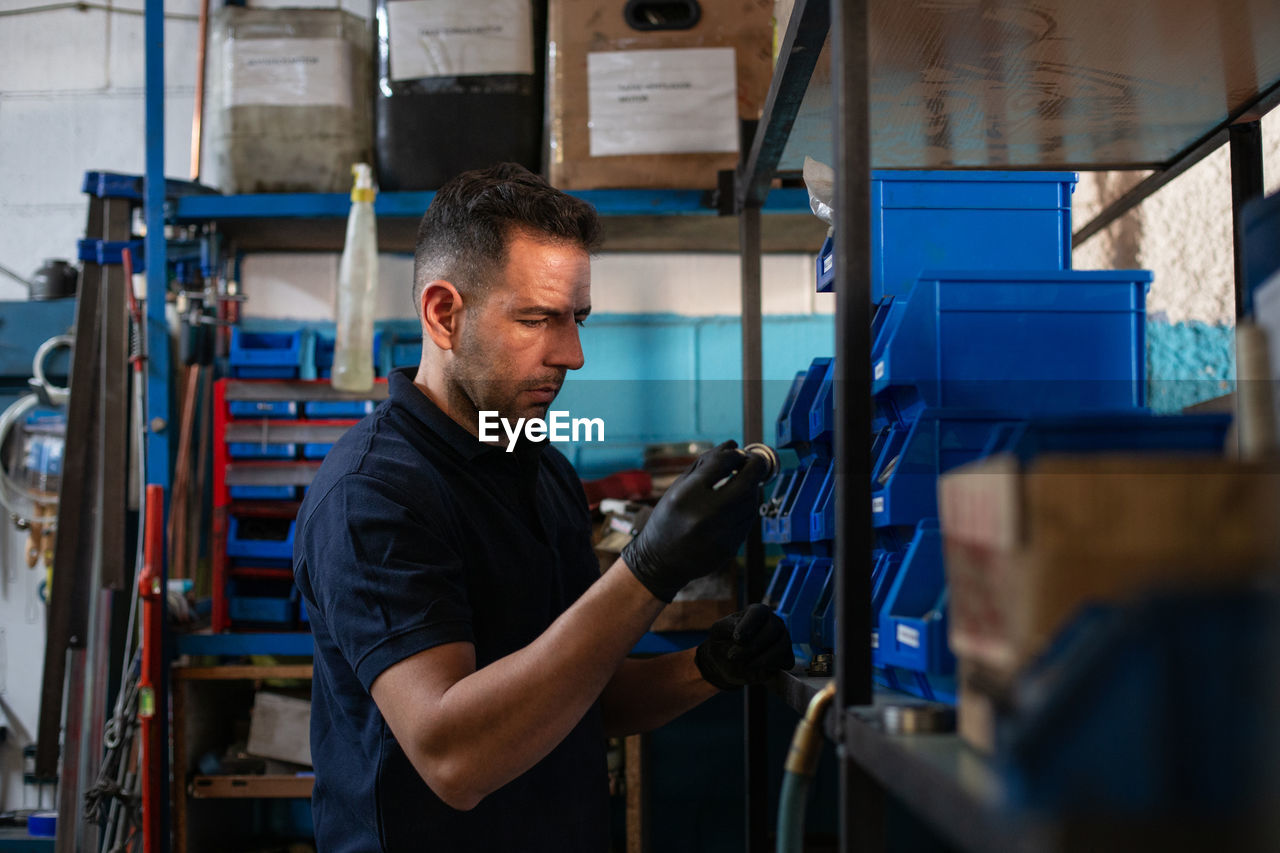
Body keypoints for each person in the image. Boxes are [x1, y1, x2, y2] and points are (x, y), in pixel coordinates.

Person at [293, 163, 794, 852]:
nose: (573, 354)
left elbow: (581, 690)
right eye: (537, 319)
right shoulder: (373, 492)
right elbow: (455, 756)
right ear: (444, 313)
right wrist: (648, 568)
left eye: (577, 319)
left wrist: (709, 665)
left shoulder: (539, 466)